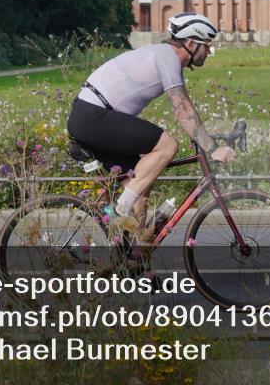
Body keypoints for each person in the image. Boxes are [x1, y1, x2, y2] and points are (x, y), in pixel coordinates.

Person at [66, 12, 237, 241]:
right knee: (168, 146)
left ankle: (137, 251)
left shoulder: (163, 55)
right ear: (190, 43)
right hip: (93, 116)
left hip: (91, 116)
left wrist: (205, 137)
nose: (209, 51)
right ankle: (119, 210)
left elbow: (184, 109)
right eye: (207, 45)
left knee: (140, 183)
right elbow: (182, 108)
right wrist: (211, 148)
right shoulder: (167, 56)